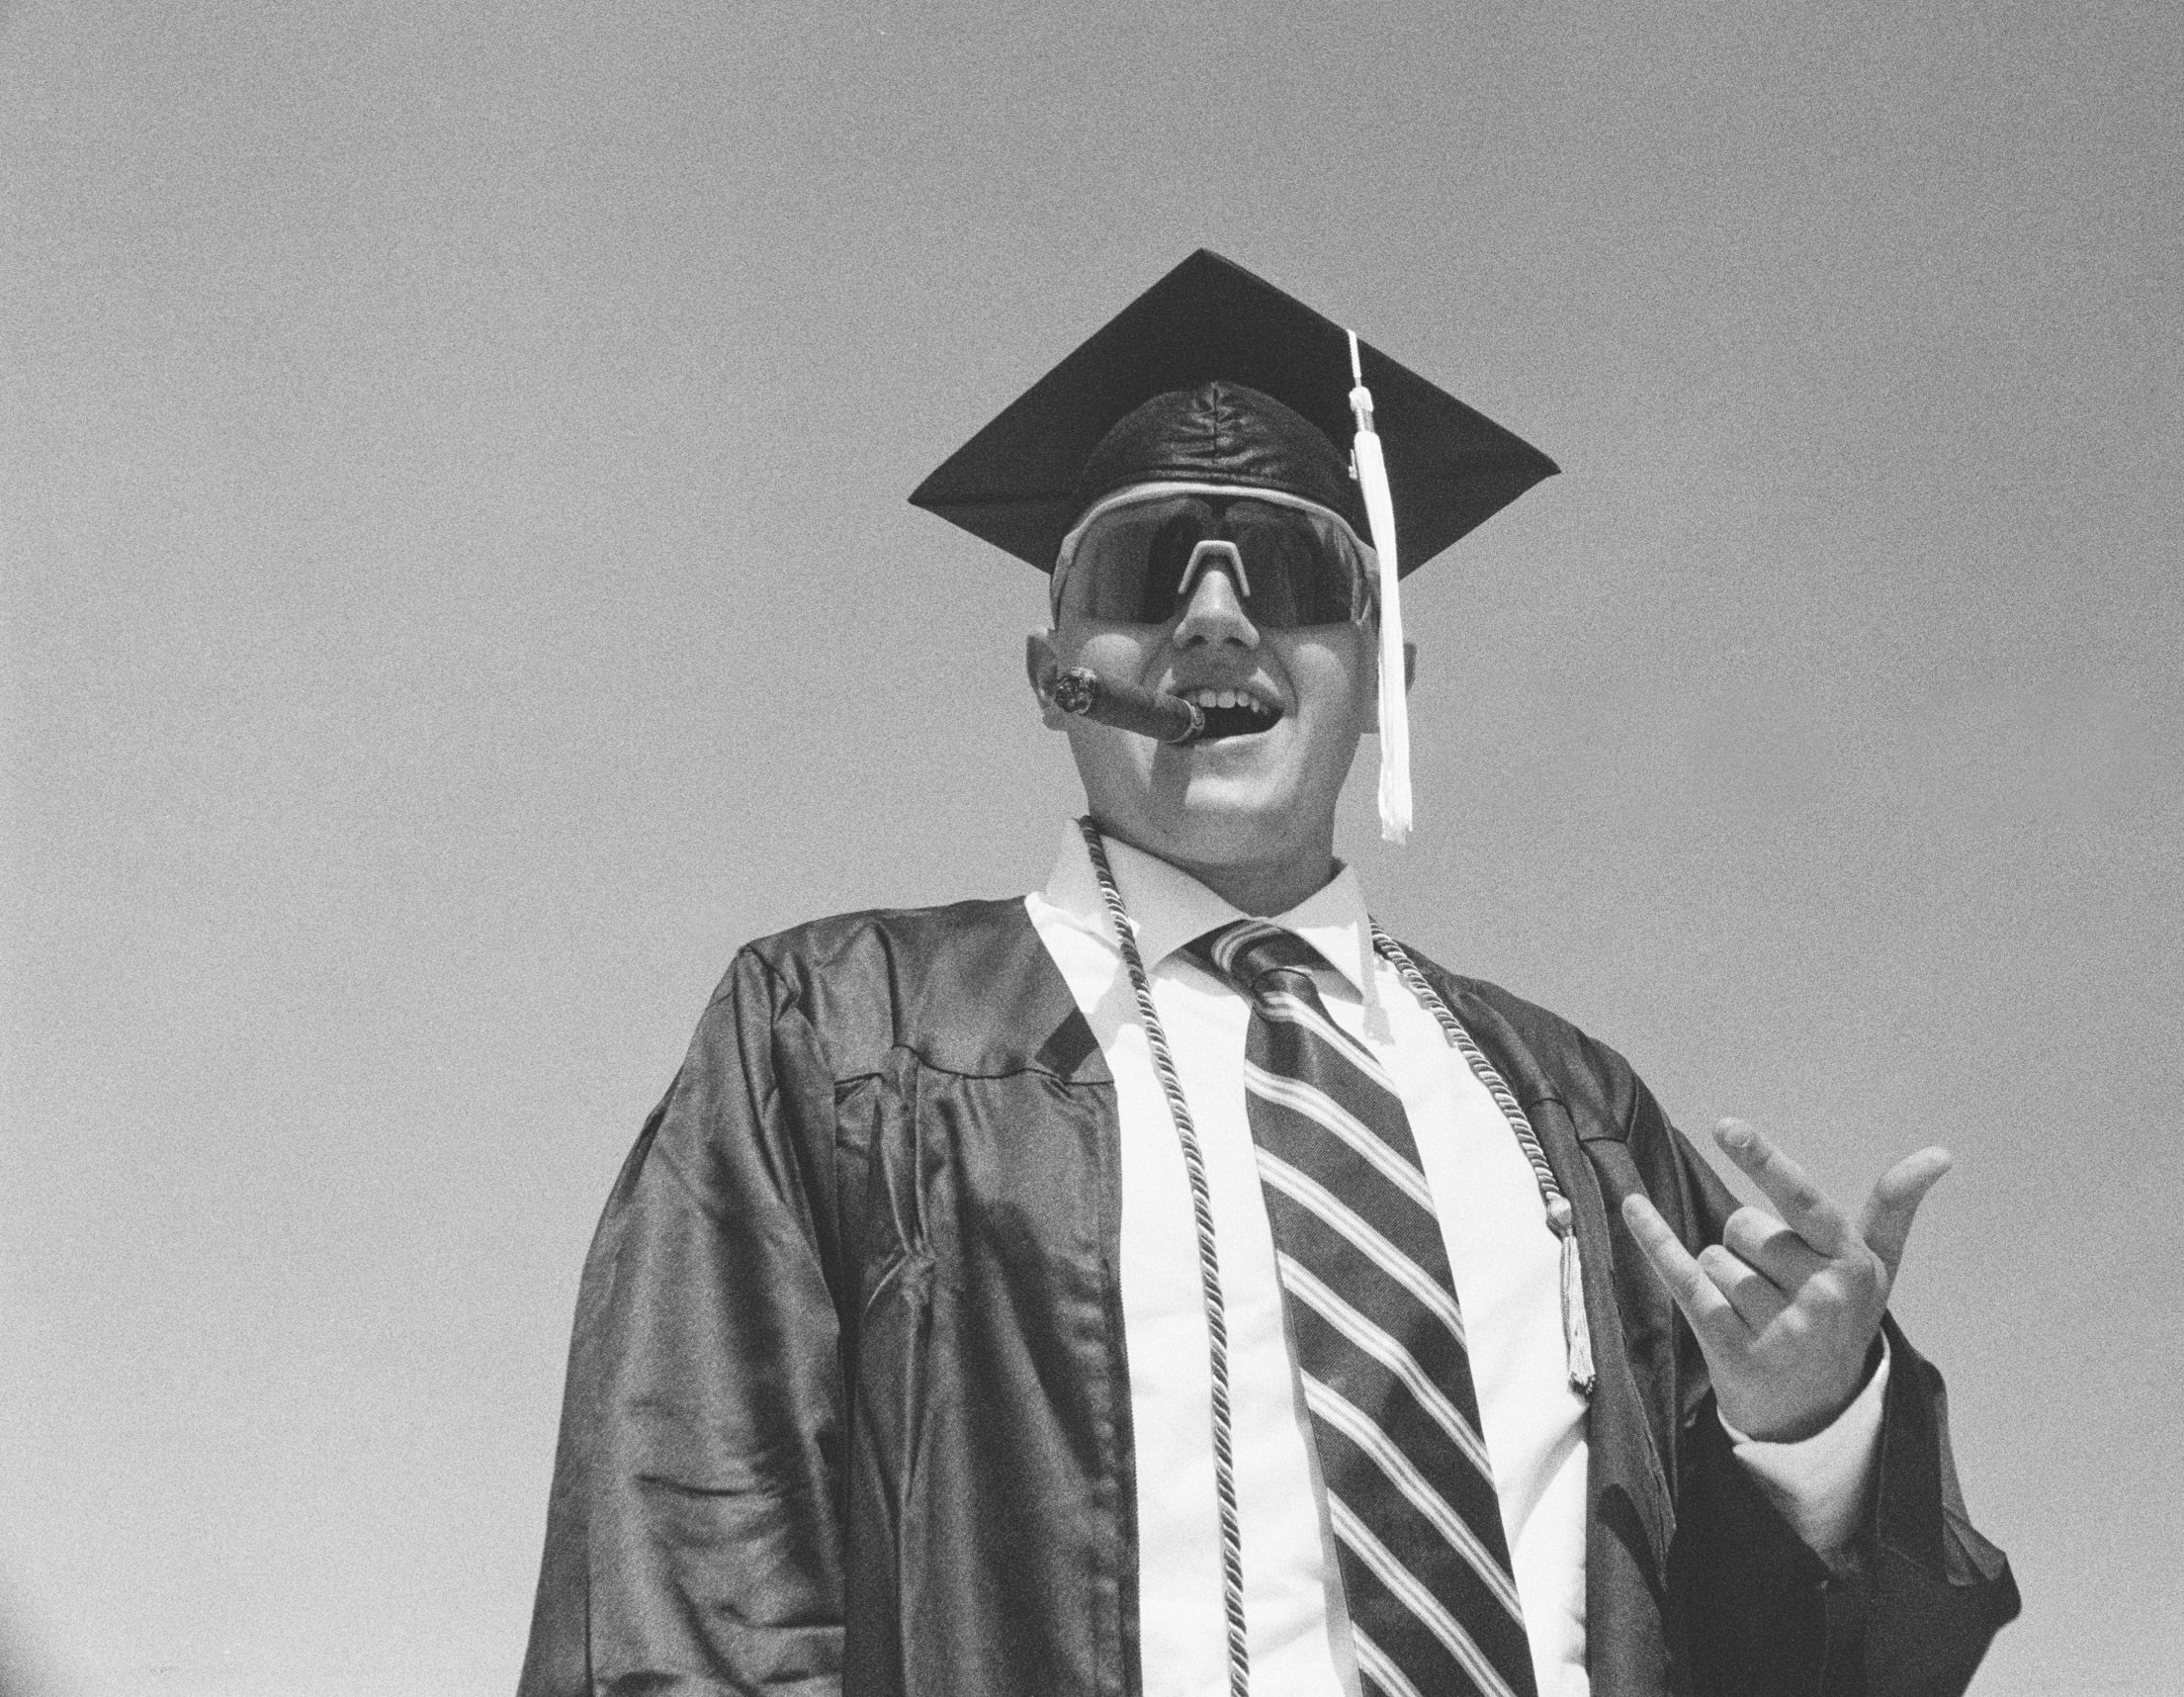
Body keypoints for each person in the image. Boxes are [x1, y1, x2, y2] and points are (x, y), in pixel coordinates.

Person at [518, 251, 2020, 1697]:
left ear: (1383, 679)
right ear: (1051, 672)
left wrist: (1811, 1436)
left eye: (1296, 568)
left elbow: (1796, 1664)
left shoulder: (1573, 1116)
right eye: (1146, 565)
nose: (1216, 616)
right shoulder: (841, 1045)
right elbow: (687, 1578)